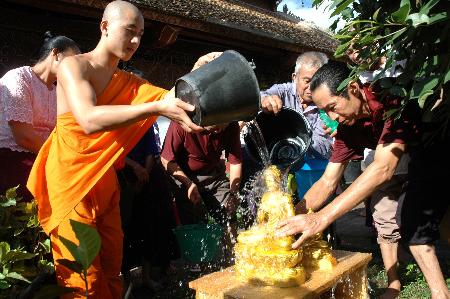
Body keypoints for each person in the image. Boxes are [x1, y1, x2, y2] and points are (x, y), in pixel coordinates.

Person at [26, 1, 219, 297]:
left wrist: (201, 70)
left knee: (112, 268)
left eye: (140, 34)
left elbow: (173, 97)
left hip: (104, 182)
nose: (135, 41)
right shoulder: (73, 66)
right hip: (71, 182)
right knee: (81, 277)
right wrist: (154, 107)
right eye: (129, 31)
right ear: (104, 26)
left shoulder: (127, 82)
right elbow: (88, 119)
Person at [276, 61, 450, 299]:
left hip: (438, 143)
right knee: (413, 219)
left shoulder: (390, 98)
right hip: (419, 158)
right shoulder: (348, 129)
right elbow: (328, 181)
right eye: (325, 111)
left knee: (413, 218)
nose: (332, 117)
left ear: (354, 89)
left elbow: (383, 168)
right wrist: (290, 217)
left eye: (333, 107)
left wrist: (320, 219)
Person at [0, 32, 80, 199]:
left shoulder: (60, 91)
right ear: (56, 54)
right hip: (13, 156)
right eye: (71, 62)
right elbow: (23, 137)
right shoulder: (19, 78)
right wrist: (61, 157)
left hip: (45, 158)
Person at [160, 121, 242, 260]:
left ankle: (234, 258)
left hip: (214, 175)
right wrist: (188, 183)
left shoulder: (231, 123)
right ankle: (196, 266)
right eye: (216, 124)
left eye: (224, 124)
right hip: (184, 177)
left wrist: (233, 194)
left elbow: (235, 162)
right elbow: (166, 159)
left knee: (228, 214)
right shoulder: (181, 123)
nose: (220, 128)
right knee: (193, 224)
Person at [260, 51, 332, 160]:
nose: (312, 87)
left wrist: (301, 140)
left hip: (310, 164)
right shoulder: (283, 91)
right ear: (294, 77)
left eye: (318, 82)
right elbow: (261, 96)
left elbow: (324, 147)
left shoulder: (328, 105)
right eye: (307, 81)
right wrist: (264, 99)